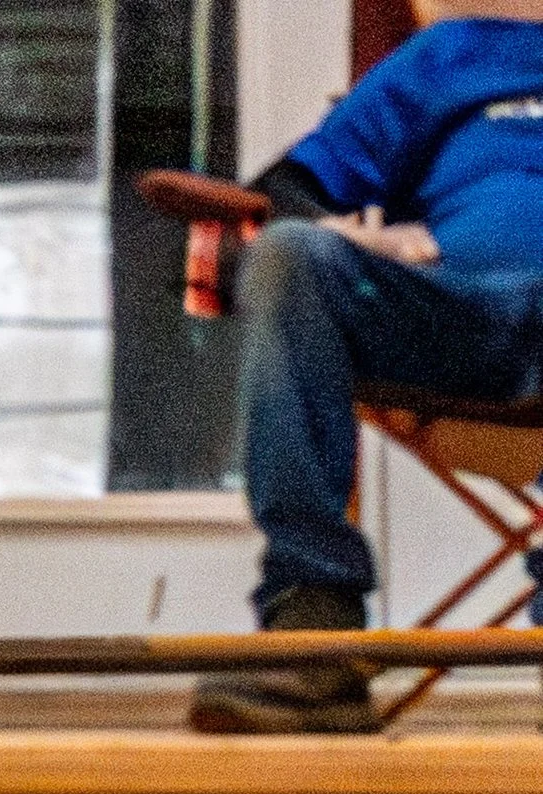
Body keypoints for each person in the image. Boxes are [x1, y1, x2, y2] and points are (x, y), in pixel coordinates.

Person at [194, 0, 543, 733]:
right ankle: (316, 634)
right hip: (456, 319)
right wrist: (366, 241)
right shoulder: (449, 55)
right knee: (290, 257)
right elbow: (287, 193)